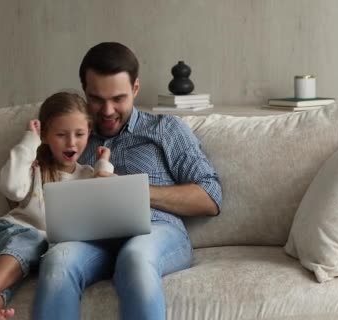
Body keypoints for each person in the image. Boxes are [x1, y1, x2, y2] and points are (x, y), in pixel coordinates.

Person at [31, 42, 222, 320]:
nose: (107, 111)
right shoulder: (71, 135)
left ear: (135, 89)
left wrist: (132, 191)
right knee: (57, 261)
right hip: (89, 239)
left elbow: (211, 197)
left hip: (155, 231)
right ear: (85, 91)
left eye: (118, 98)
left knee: (135, 257)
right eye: (96, 99)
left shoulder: (165, 129)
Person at [0, 92, 114, 320]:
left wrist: (104, 167)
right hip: (7, 233)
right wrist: (29, 143)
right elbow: (10, 187)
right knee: (33, 240)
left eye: (79, 134)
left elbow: (104, 201)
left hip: (39, 251)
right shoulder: (35, 168)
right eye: (61, 135)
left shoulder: (87, 176)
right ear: (45, 136)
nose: (71, 142)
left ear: (89, 134)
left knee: (29, 259)